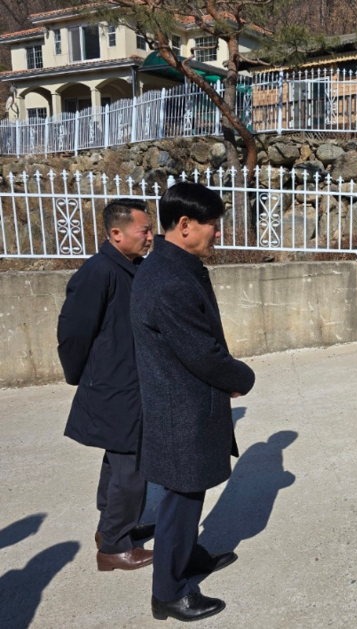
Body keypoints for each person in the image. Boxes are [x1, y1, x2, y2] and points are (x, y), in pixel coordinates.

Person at [131, 182, 255, 622]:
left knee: (189, 490)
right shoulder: (168, 280)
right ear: (184, 225)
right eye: (212, 225)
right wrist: (240, 378)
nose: (217, 233)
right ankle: (168, 592)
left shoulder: (174, 265)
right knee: (181, 497)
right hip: (180, 408)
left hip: (184, 400)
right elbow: (201, 352)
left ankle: (186, 556)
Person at [57, 199, 155, 571]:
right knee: (132, 467)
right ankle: (114, 547)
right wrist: (82, 376)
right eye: (144, 230)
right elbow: (73, 333)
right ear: (116, 233)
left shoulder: (131, 268)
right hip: (115, 387)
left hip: (129, 384)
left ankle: (111, 528)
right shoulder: (98, 272)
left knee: (118, 462)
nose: (150, 236)